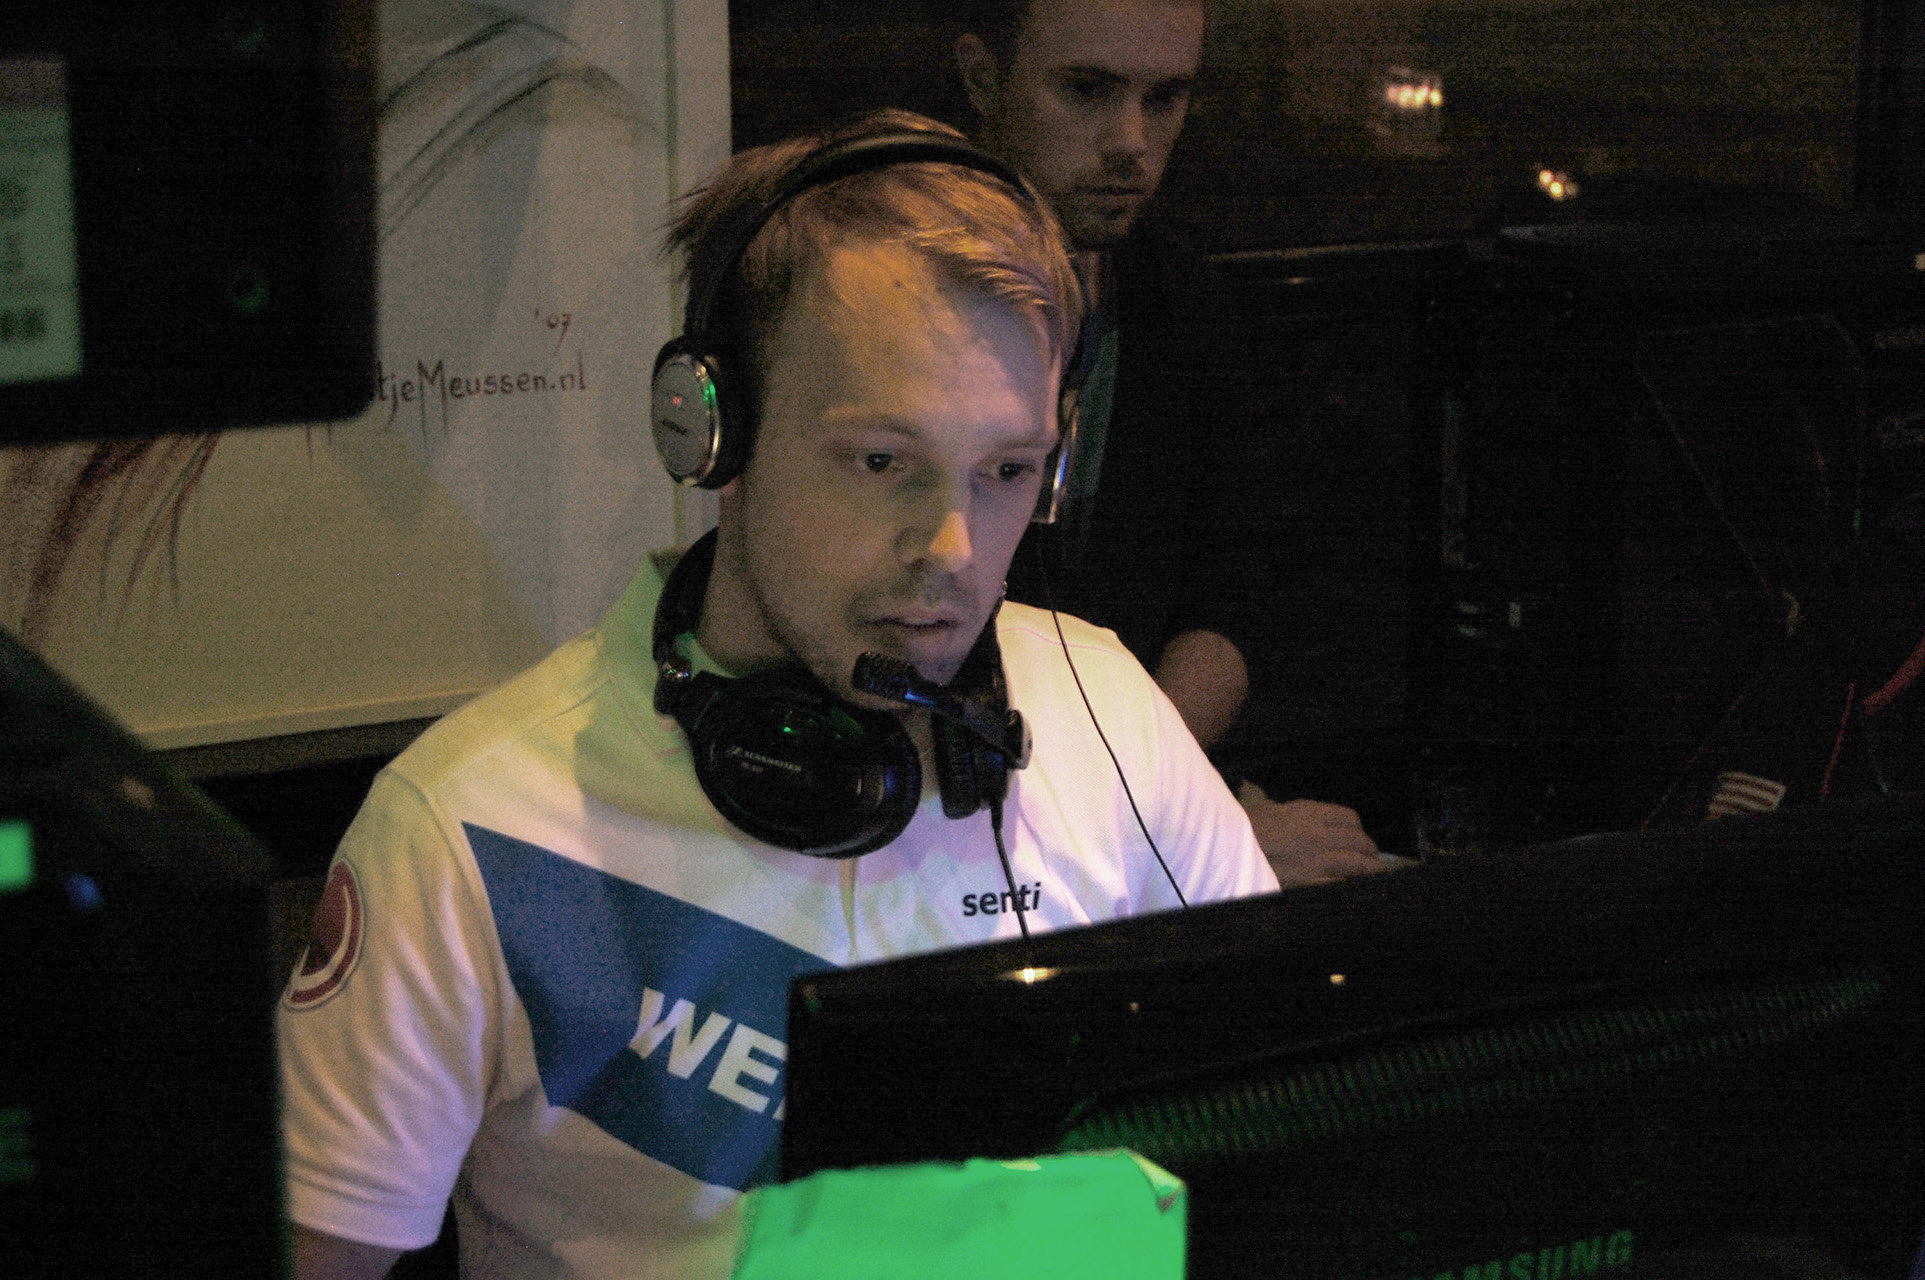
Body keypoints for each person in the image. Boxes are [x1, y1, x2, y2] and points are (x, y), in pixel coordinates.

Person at [279, 112, 1278, 1280]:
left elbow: (1277, 1139)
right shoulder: (468, 827)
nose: (953, 548)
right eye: (880, 461)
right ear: (715, 432)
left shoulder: (1107, 712)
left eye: (1005, 470)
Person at [956, 0, 1387, 886]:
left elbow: (1230, 601)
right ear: (982, 80)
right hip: (947, 822)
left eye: (1164, 98)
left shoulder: (1178, 303)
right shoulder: (899, 319)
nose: (1131, 142)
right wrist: (1183, 839)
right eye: (1087, 90)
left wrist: (1154, 798)